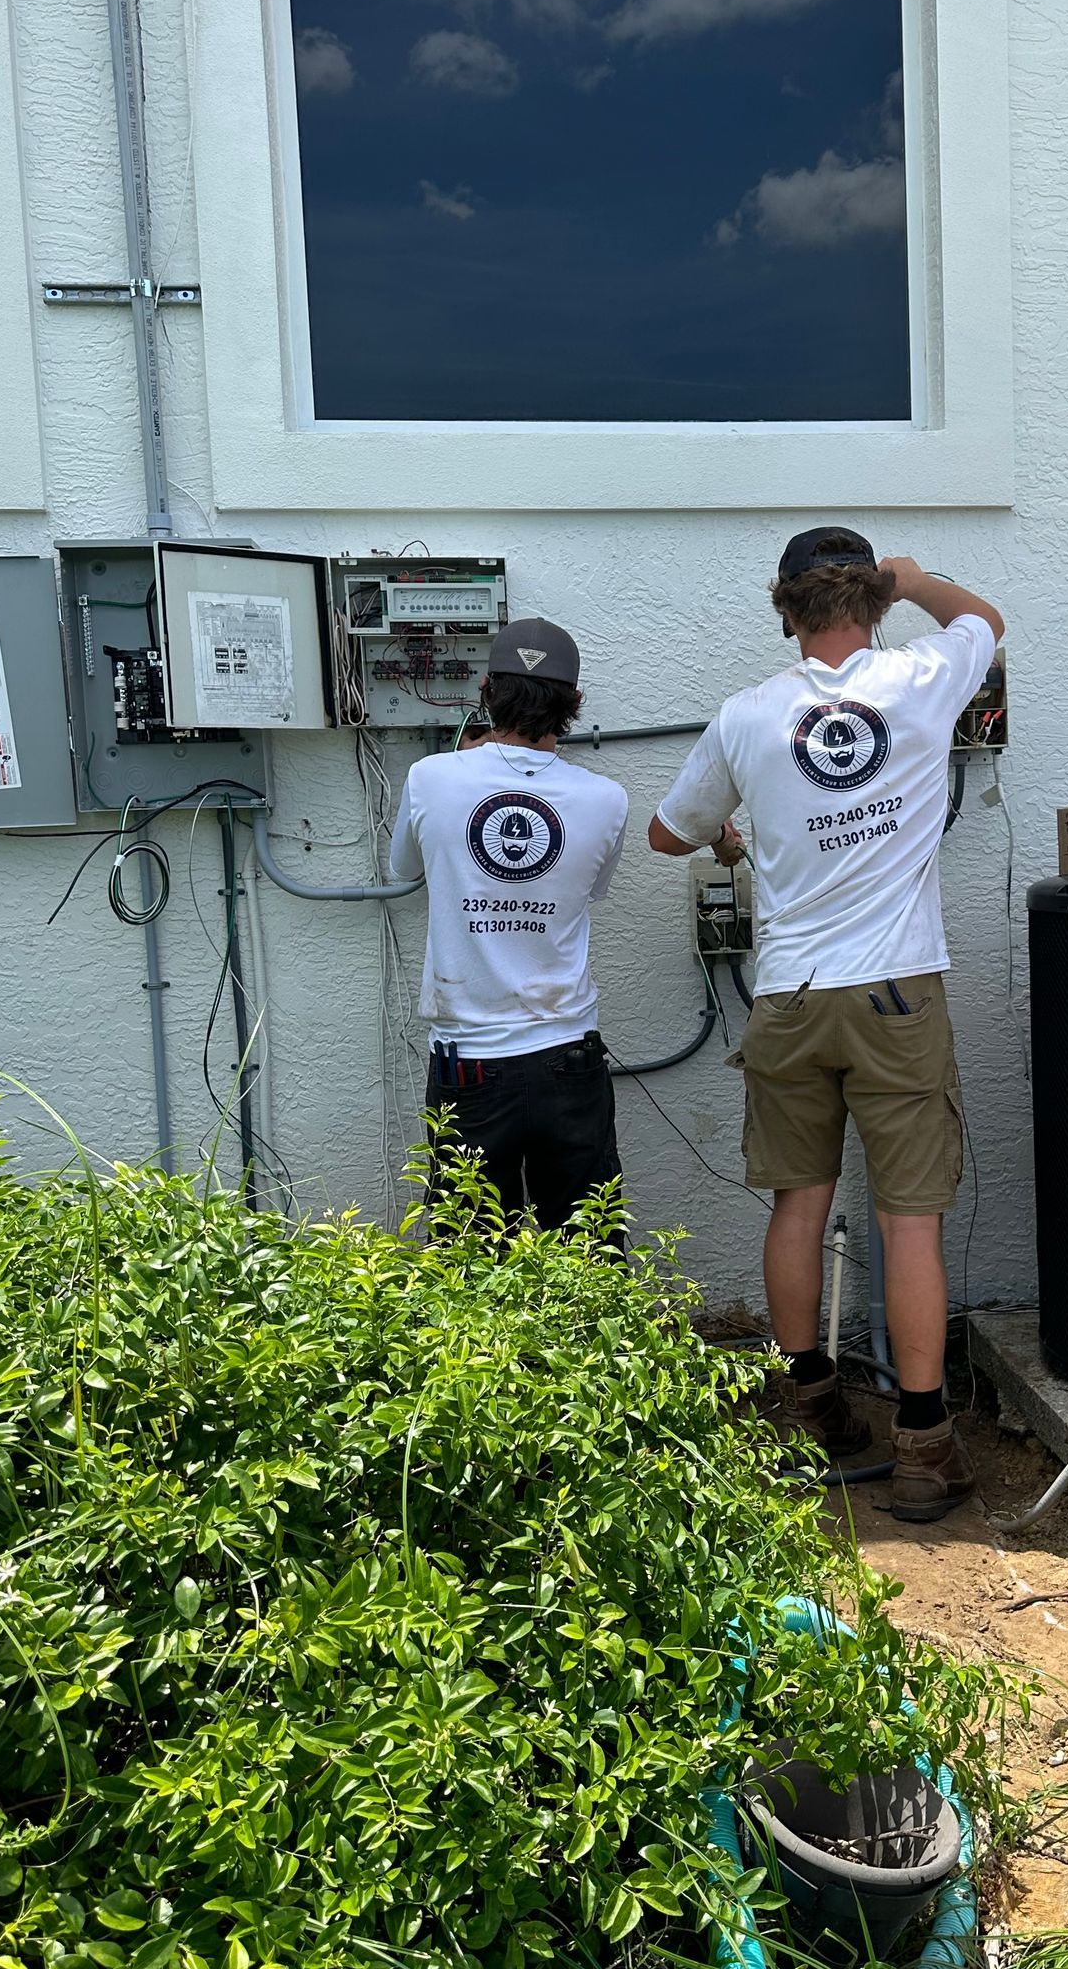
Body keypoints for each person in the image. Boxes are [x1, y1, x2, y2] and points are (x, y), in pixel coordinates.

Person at [648, 529, 1004, 1521]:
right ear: (872, 602)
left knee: (798, 1205)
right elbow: (986, 621)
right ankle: (924, 1447)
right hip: (895, 990)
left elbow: (667, 833)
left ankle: (811, 1407)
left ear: (786, 610)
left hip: (792, 992)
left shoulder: (747, 716)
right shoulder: (923, 677)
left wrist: (728, 832)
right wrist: (921, 577)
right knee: (909, 1220)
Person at [390, 617, 630, 1228]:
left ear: (487, 691)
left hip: (468, 1064)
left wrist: (463, 759)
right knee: (587, 1251)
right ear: (571, 705)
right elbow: (591, 891)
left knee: (467, 1259)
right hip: (567, 1056)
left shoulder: (432, 779)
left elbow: (404, 868)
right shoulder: (605, 799)